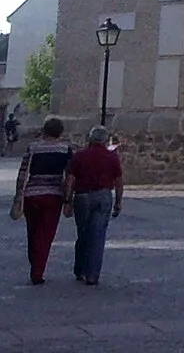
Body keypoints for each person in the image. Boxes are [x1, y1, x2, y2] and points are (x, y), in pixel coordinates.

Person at [9, 117, 72, 285]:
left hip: (32, 194)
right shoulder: (65, 150)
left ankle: (34, 263)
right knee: (46, 235)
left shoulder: (33, 148)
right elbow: (69, 177)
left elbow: (23, 173)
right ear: (60, 132)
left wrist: (18, 195)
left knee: (33, 232)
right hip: (54, 195)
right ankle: (37, 271)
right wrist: (68, 198)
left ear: (44, 130)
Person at [64, 126, 122, 286]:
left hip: (82, 196)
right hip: (103, 196)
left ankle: (80, 269)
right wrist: (118, 202)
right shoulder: (112, 157)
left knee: (83, 233)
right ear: (105, 140)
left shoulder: (80, 156)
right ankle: (92, 274)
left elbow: (70, 179)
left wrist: (67, 200)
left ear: (90, 139)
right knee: (98, 236)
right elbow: (118, 181)